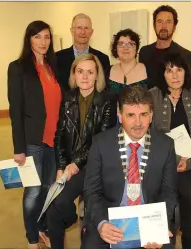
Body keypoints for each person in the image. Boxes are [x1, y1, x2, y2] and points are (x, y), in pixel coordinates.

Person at [82, 86, 177, 249]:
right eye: (131, 115)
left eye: (144, 115)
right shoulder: (101, 143)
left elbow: (169, 192)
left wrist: (158, 225)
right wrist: (102, 223)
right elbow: (91, 191)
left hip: (149, 219)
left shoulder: (165, 145)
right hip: (110, 219)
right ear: (120, 116)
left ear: (151, 115)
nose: (138, 123)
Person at [45, 53, 117, 249]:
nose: (85, 77)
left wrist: (75, 164)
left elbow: (100, 140)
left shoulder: (107, 100)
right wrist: (61, 166)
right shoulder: (67, 98)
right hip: (69, 163)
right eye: (80, 72)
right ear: (74, 75)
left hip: (94, 163)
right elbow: (59, 135)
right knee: (54, 210)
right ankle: (67, 221)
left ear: (97, 76)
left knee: (71, 207)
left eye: (90, 72)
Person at [7, 20, 62, 249]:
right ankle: (31, 237)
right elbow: (15, 110)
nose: (43, 42)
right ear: (29, 39)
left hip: (54, 139)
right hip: (32, 141)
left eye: (47, 37)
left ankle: (43, 229)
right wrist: (18, 148)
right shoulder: (18, 67)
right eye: (38, 36)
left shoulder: (53, 65)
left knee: (50, 188)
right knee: (33, 191)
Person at [149, 53, 191, 249]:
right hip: (162, 164)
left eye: (179, 70)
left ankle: (190, 242)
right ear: (162, 74)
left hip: (189, 163)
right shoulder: (153, 96)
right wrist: (172, 159)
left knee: (190, 202)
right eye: (169, 70)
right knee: (165, 211)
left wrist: (189, 161)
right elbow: (150, 134)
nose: (175, 75)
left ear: (185, 72)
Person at [139, 5, 191, 91]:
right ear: (154, 25)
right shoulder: (144, 52)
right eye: (159, 21)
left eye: (168, 22)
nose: (163, 26)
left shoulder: (185, 55)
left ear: (174, 27)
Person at [56, 13, 110, 92]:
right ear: (72, 30)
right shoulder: (58, 57)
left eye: (86, 28)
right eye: (79, 28)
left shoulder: (102, 59)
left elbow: (104, 88)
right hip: (66, 103)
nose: (83, 32)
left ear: (91, 32)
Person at [105, 28, 148, 95]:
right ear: (115, 48)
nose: (125, 48)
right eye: (121, 44)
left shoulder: (148, 71)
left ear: (136, 48)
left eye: (131, 44)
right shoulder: (107, 71)